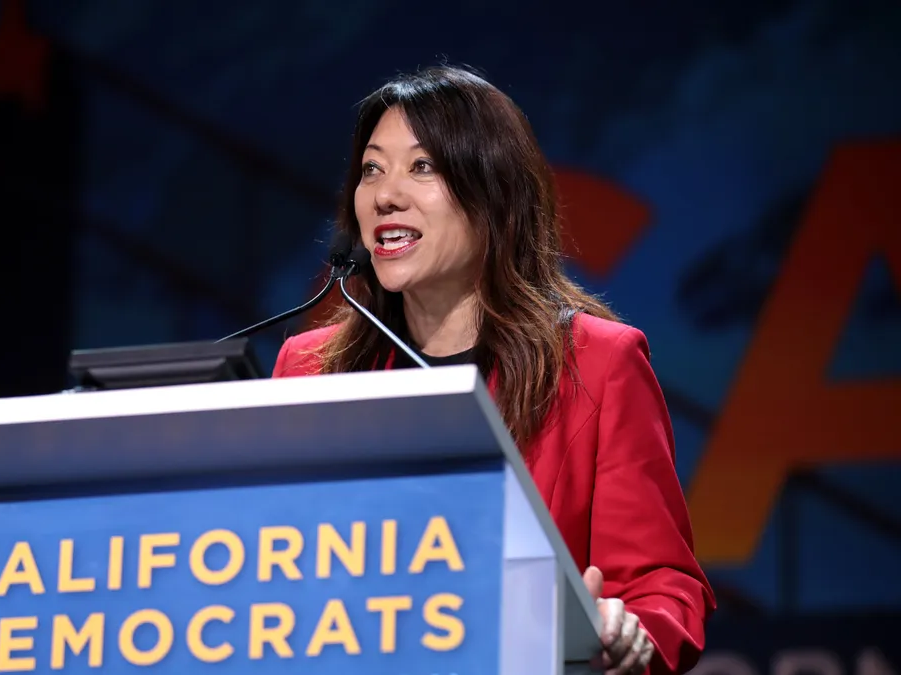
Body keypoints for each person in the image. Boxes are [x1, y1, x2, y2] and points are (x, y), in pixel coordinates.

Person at [271, 66, 716, 675]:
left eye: (422, 167)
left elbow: (662, 584)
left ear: (494, 192)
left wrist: (628, 630)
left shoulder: (598, 363)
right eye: (372, 168)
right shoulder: (308, 369)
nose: (385, 194)